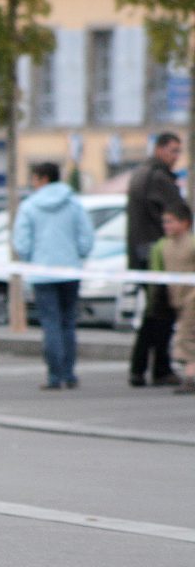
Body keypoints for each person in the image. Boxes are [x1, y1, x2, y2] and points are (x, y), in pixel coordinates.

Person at [12, 162, 95, 390]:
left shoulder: (29, 206)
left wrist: (31, 260)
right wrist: (77, 256)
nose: (32, 183)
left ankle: (54, 376)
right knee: (68, 323)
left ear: (43, 179)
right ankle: (69, 373)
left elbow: (21, 242)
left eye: (34, 178)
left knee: (51, 324)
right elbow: (86, 236)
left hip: (42, 273)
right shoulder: (74, 203)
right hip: (70, 271)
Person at [126, 132, 183, 387]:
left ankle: (141, 369)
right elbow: (179, 213)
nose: (176, 157)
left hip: (143, 255)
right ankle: (158, 368)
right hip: (157, 256)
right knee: (160, 314)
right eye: (173, 150)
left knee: (153, 313)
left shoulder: (141, 174)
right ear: (159, 150)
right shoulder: (158, 178)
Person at [147, 202, 195, 394]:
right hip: (178, 298)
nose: (166, 226)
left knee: (185, 336)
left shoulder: (191, 244)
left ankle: (191, 376)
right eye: (164, 222)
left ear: (185, 223)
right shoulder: (163, 246)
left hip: (192, 297)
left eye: (171, 222)